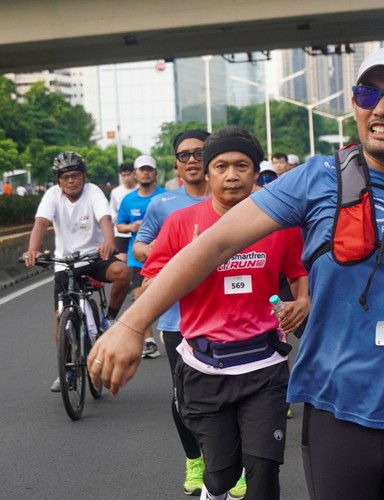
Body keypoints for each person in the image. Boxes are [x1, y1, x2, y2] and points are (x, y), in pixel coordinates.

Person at [89, 46, 384, 500]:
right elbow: (213, 245)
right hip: (336, 411)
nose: (381, 108)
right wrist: (132, 323)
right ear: (355, 105)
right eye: (368, 94)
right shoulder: (317, 178)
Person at [91, 126, 309, 500]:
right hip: (205, 366)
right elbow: (149, 286)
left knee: (263, 474)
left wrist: (302, 301)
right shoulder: (180, 223)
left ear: (255, 173)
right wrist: (190, 264)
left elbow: (297, 271)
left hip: (264, 364)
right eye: (221, 166)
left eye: (242, 165)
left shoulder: (278, 222)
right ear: (207, 174)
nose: (231, 175)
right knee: (221, 475)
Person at [133, 129, 211, 496]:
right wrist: (178, 254)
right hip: (177, 318)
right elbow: (141, 247)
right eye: (184, 155)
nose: (192, 160)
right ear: (176, 164)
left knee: (232, 394)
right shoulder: (163, 205)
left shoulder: (235, 197)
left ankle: (232, 462)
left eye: (199, 152)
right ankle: (194, 458)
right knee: (184, 396)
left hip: (229, 314)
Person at [22, 151, 130, 392]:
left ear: (84, 176)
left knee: (123, 273)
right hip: (65, 263)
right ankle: (66, 369)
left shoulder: (93, 192)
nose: (71, 181)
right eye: (65, 177)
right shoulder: (52, 195)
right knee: (61, 318)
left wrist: (109, 242)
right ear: (58, 180)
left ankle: (110, 318)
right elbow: (41, 222)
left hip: (94, 257)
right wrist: (33, 250)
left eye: (75, 175)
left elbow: (105, 218)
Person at [116, 154, 166, 357]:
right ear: (135, 173)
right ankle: (149, 341)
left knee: (169, 297)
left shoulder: (166, 197)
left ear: (155, 173)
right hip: (137, 257)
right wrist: (131, 227)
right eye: (142, 170)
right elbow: (119, 225)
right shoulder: (128, 200)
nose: (145, 173)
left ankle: (173, 332)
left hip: (165, 255)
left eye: (149, 169)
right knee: (140, 298)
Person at [109, 163, 137, 262]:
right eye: (124, 175)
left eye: (129, 174)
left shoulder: (140, 189)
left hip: (137, 232)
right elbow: (112, 209)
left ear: (134, 173)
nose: (126, 178)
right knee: (121, 262)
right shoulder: (116, 192)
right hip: (121, 234)